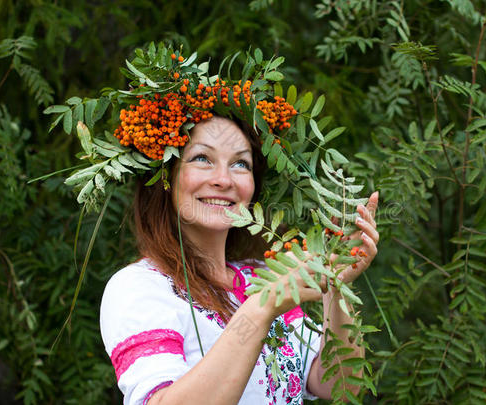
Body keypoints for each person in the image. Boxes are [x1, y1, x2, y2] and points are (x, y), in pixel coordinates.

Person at [99, 112, 379, 404]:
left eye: (240, 164)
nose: (223, 179)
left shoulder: (263, 275)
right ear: (164, 177)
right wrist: (263, 307)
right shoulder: (139, 287)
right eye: (202, 158)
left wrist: (336, 284)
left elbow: (337, 385)